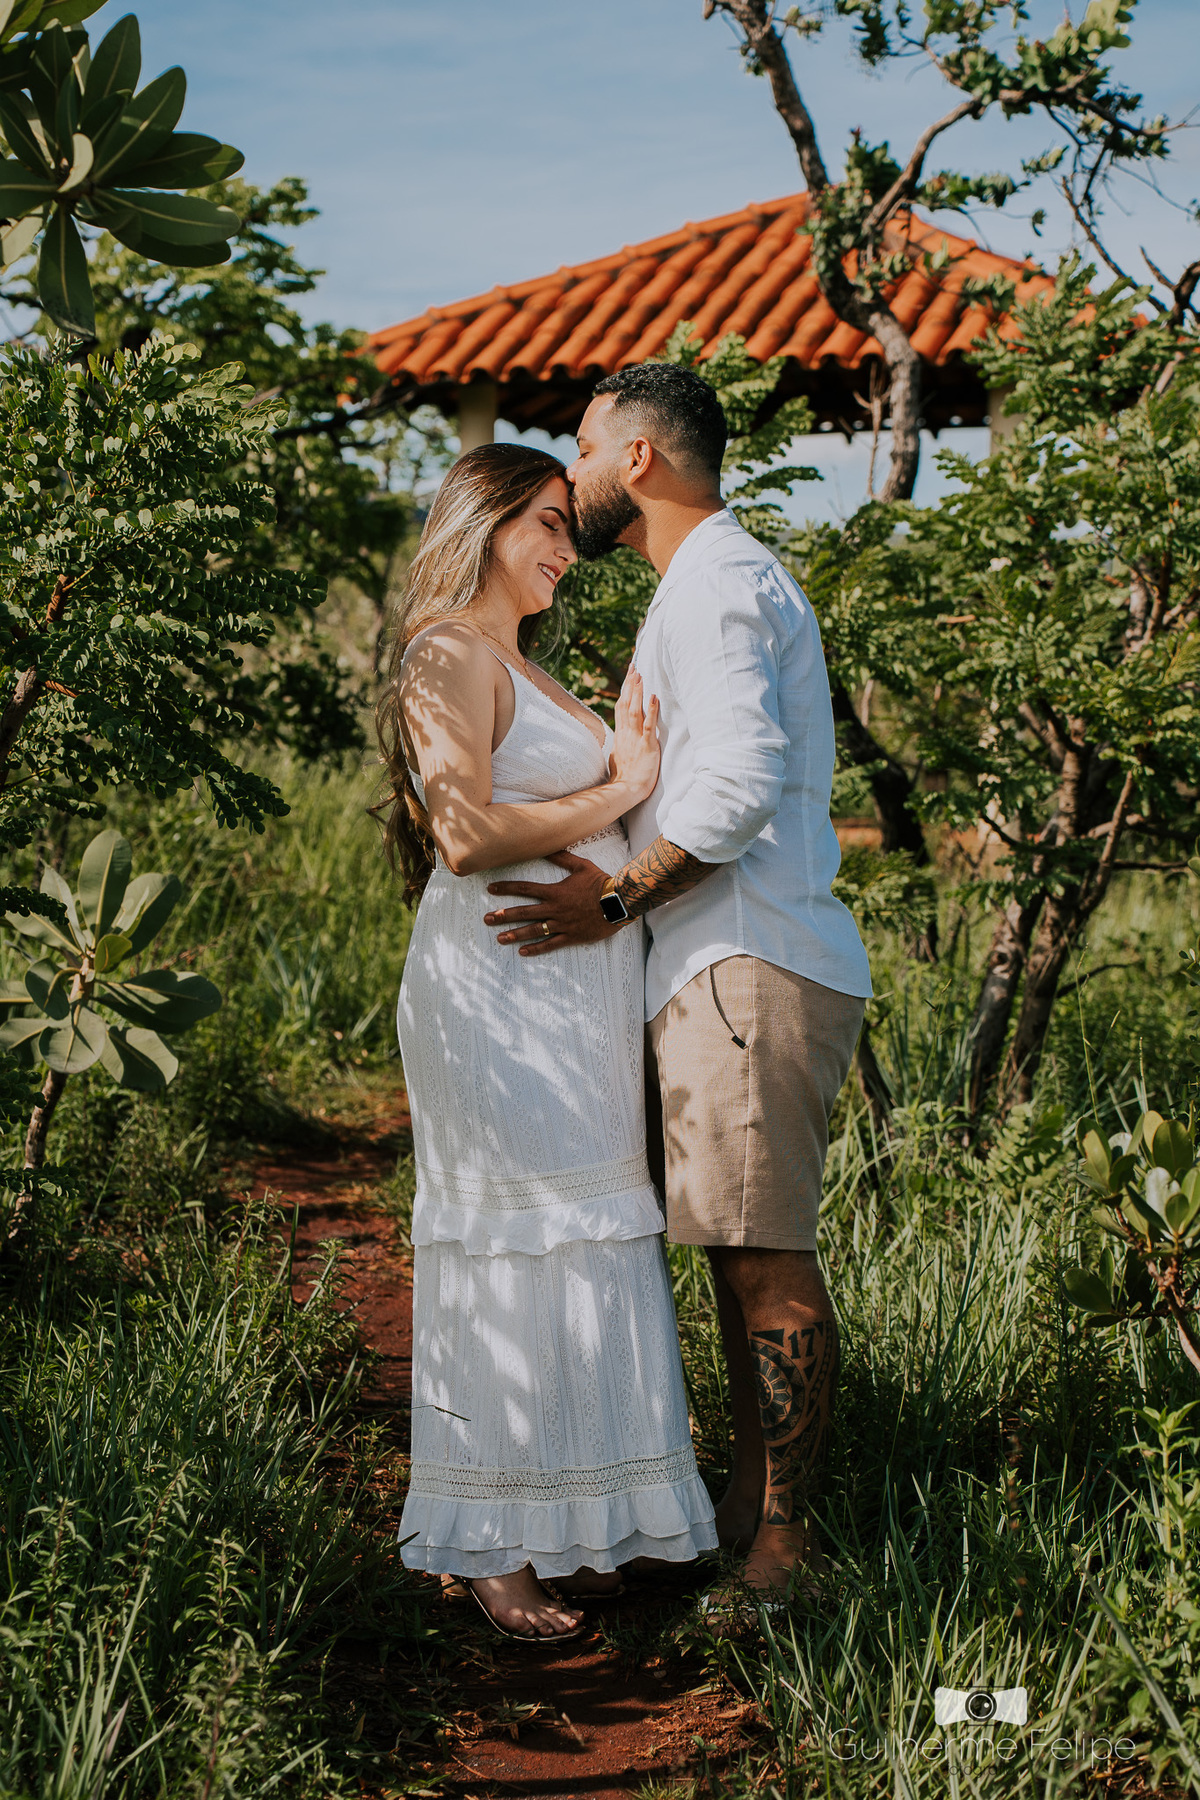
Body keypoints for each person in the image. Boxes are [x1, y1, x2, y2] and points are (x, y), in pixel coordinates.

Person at [483, 365, 873, 1598]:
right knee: (732, 1256)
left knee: (764, 1262)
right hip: (719, 968)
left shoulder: (716, 585)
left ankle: (786, 1556)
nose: (574, 474)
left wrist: (610, 900)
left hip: (746, 964)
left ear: (639, 458)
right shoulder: (700, 587)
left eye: (584, 447)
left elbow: (742, 784)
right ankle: (746, 1514)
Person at [377, 442, 717, 1642]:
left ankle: (577, 1523)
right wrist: (619, 789)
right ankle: (493, 1546)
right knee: (511, 1242)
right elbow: (465, 835)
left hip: (574, 996)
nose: (569, 552)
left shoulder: (529, 667)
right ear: (486, 521)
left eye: (571, 529)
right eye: (551, 525)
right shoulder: (445, 653)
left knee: (587, 1235)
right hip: (496, 991)